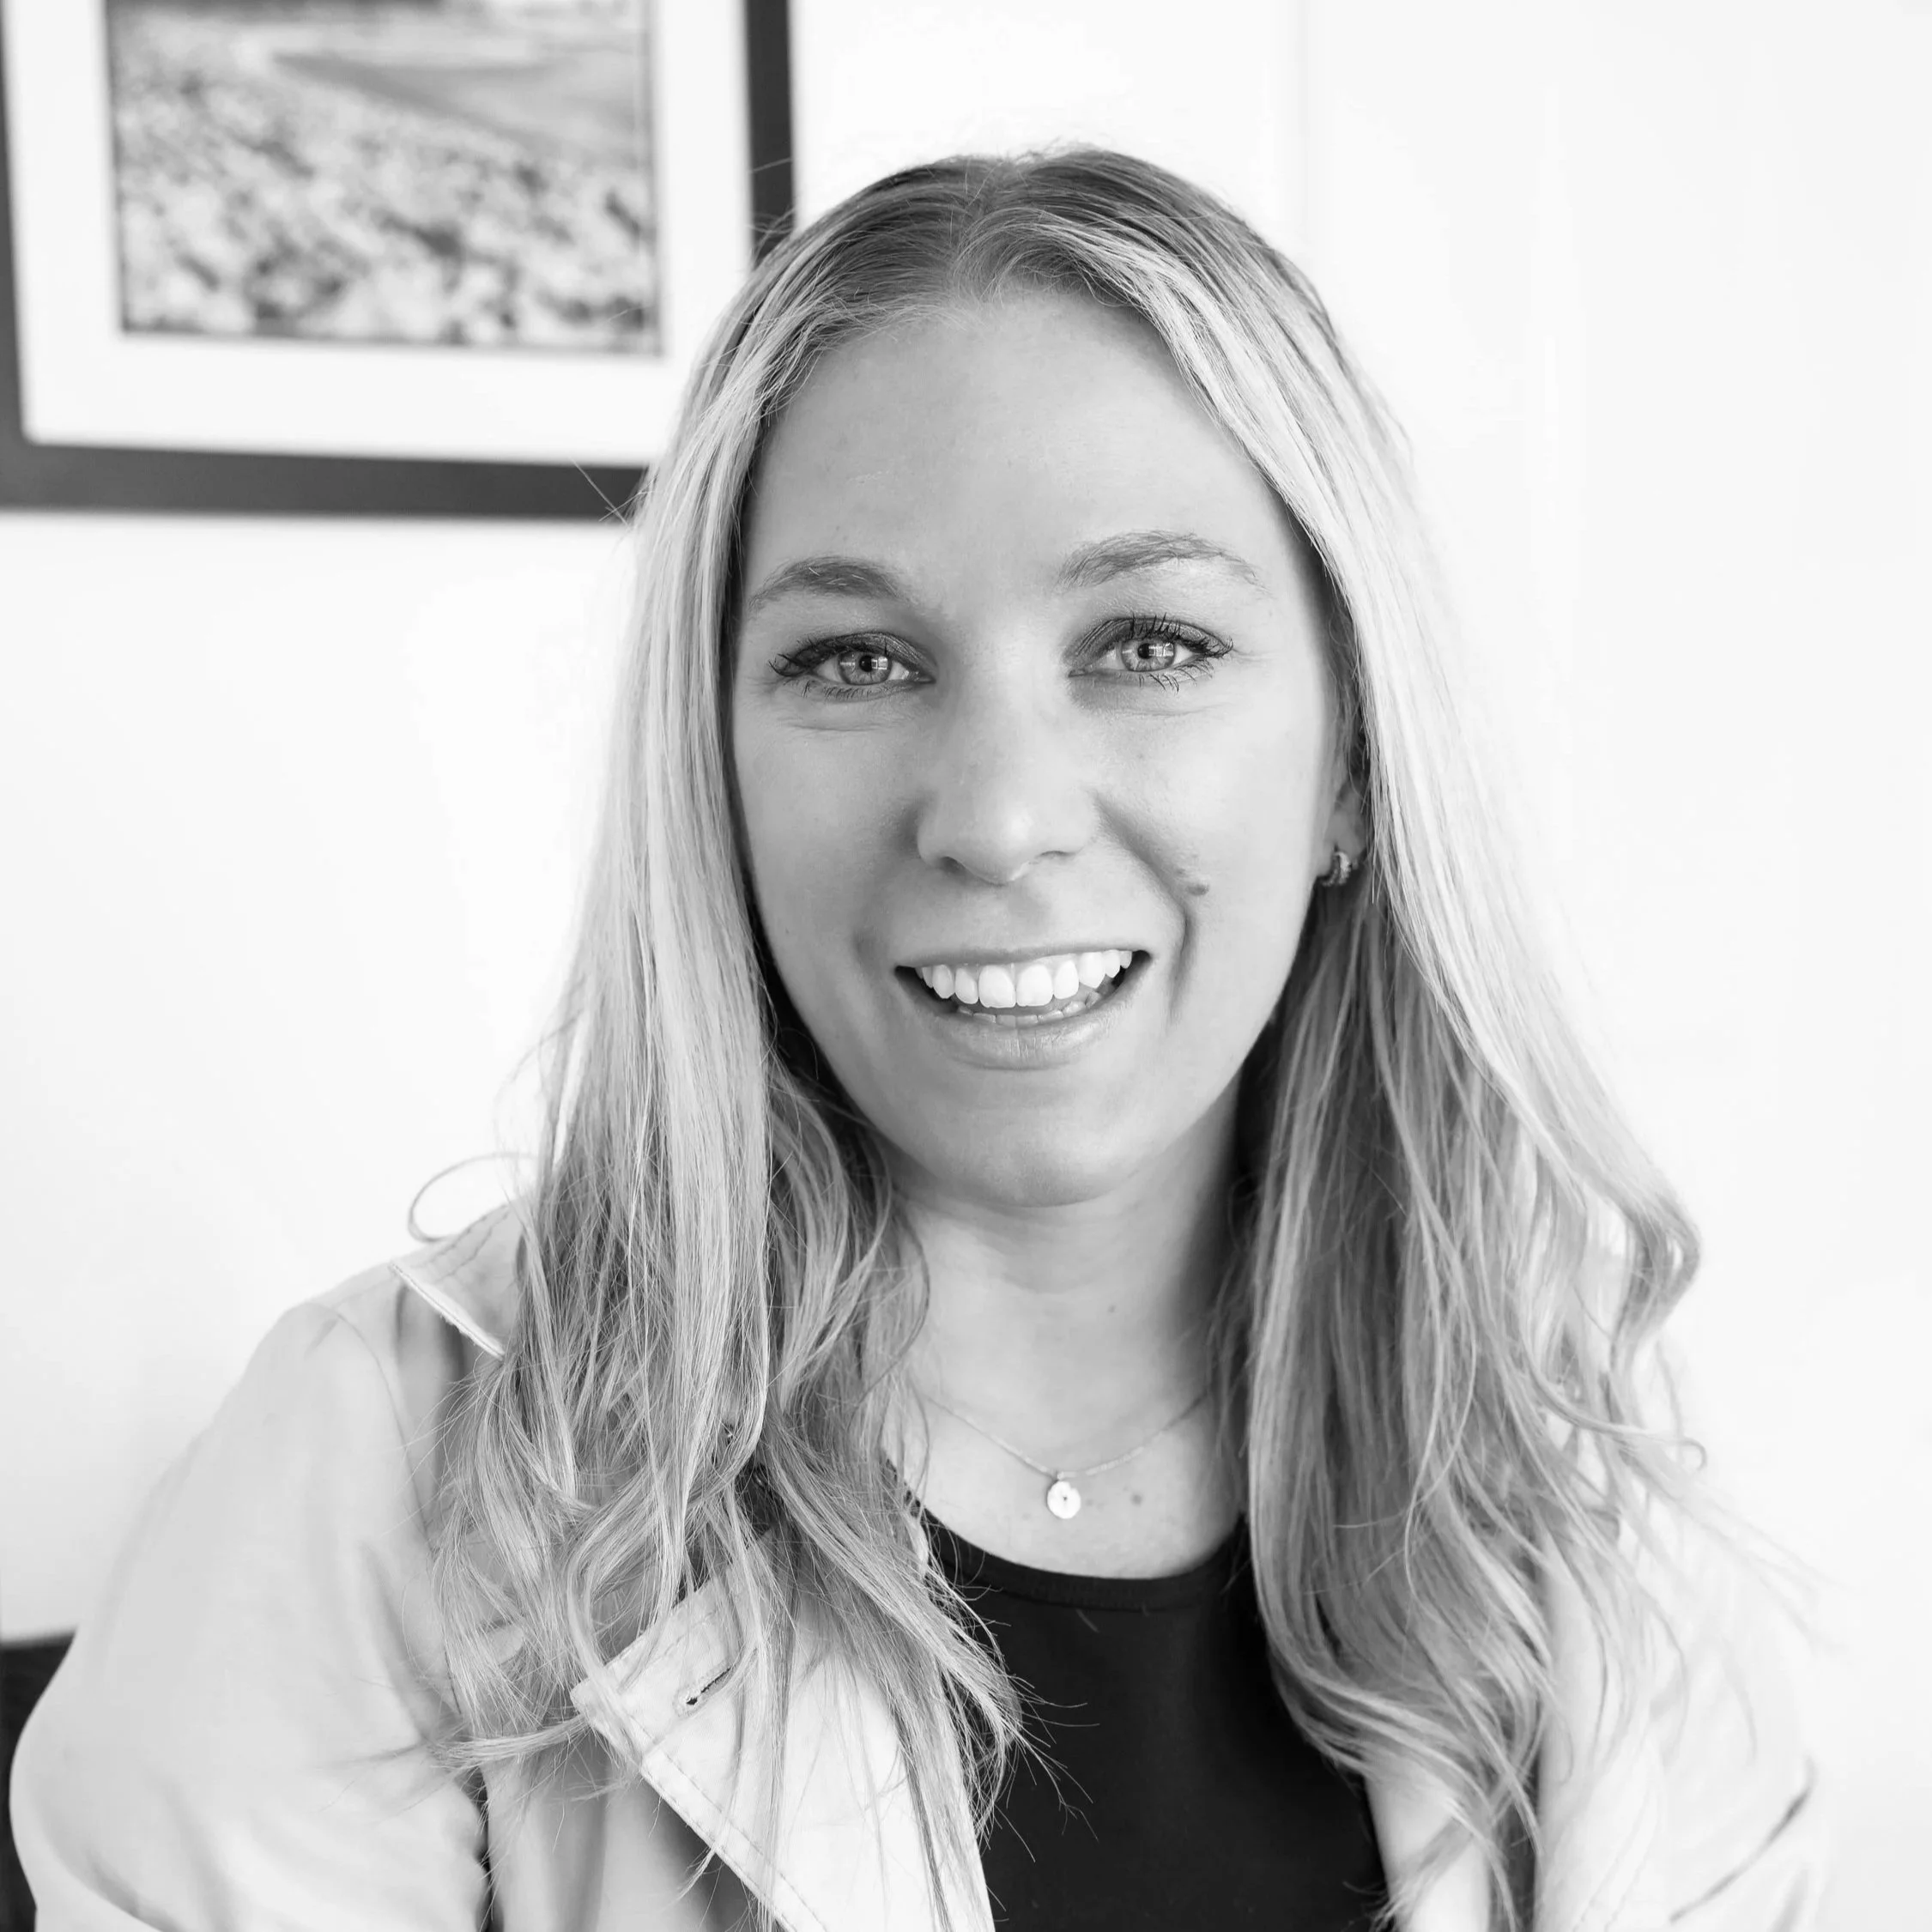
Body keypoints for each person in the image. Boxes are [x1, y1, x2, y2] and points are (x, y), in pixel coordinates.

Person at [11, 149, 1823, 1932]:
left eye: (1147, 641)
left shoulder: (1601, 1570)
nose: (997, 815)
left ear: (1353, 758)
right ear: (709, 766)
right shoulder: (376, 1484)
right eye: (856, 662)